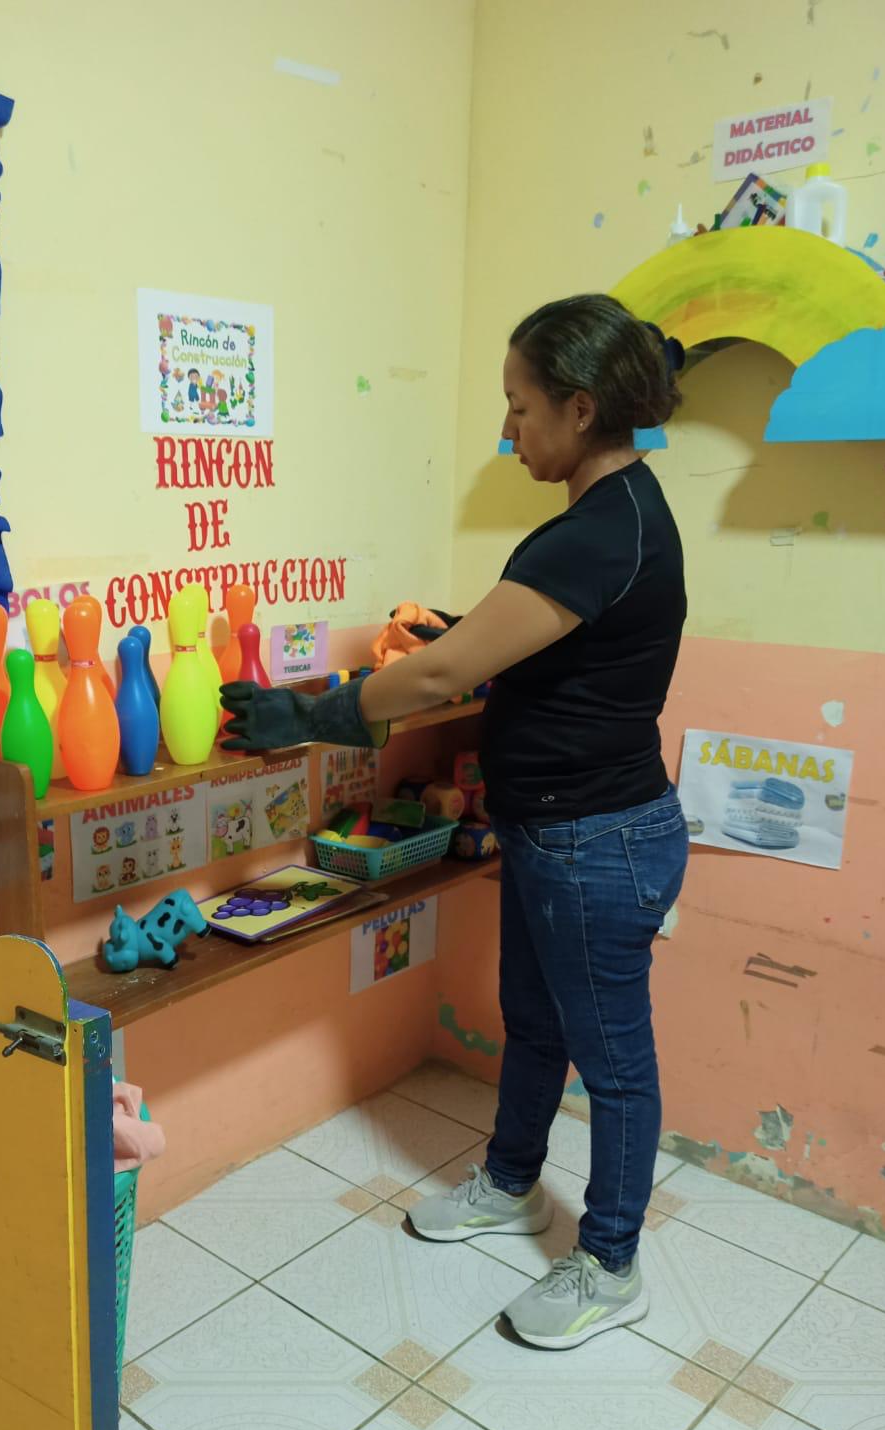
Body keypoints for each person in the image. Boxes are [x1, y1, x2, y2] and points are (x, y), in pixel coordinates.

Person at [222, 293, 689, 1351]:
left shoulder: (599, 528)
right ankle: (512, 1184)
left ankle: (611, 1264)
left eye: (520, 407)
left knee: (615, 1064)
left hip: (598, 841)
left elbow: (438, 676)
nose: (507, 430)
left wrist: (314, 711)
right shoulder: (614, 514)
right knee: (534, 1021)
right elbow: (539, 642)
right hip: (559, 833)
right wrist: (462, 626)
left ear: (580, 408)